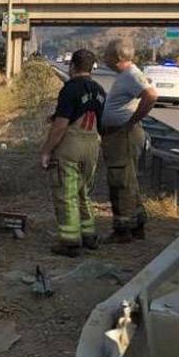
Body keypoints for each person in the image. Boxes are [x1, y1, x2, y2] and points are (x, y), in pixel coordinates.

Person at [40, 49, 107, 257]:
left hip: (71, 147)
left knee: (66, 195)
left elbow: (61, 125)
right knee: (83, 193)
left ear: (72, 66)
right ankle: (89, 235)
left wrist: (46, 150)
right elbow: (92, 116)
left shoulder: (70, 89)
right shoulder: (99, 90)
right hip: (92, 146)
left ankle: (70, 242)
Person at [100, 38, 160, 243]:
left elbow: (151, 95)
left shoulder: (131, 75)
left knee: (121, 182)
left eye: (106, 54)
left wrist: (131, 122)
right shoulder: (126, 76)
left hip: (123, 136)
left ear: (116, 57)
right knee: (129, 181)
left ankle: (123, 230)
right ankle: (137, 225)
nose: (104, 58)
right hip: (120, 134)